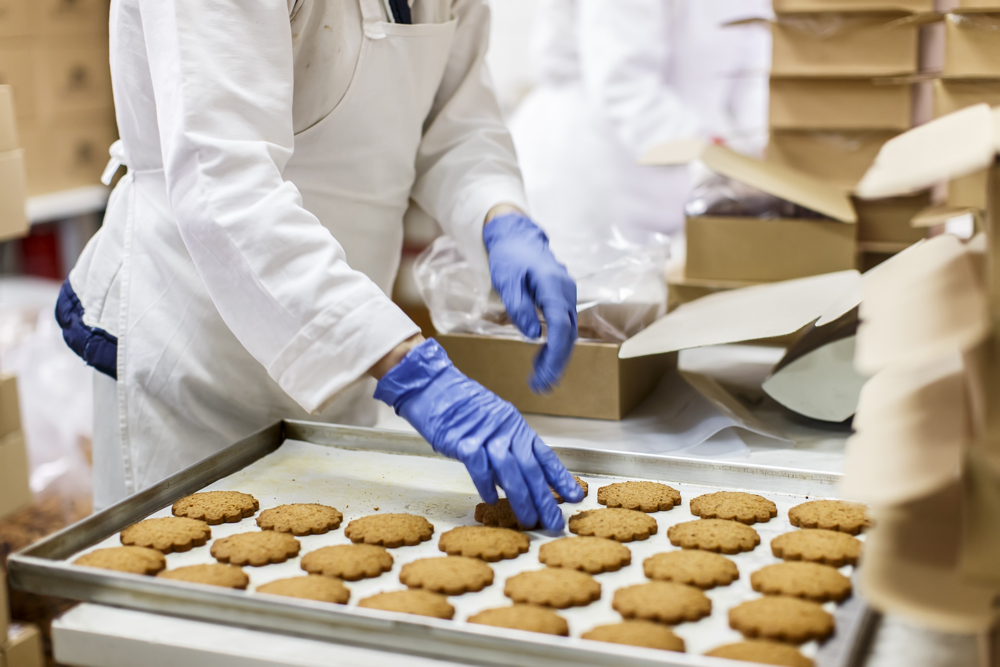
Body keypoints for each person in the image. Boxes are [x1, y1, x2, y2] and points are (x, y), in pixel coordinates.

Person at [54, 0, 583, 527]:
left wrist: (499, 216)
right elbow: (224, 186)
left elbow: (453, 121)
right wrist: (407, 367)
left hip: (349, 352)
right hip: (198, 363)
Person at [509, 0, 770, 249]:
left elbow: (752, 76)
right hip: (591, 166)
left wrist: (773, 150)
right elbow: (624, 85)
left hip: (670, 177)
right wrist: (726, 161)